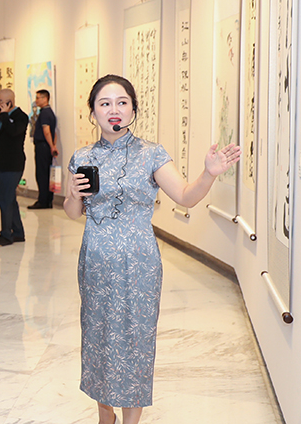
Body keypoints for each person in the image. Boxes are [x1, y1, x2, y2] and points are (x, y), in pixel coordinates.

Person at [63, 74, 240, 424]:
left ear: (133, 109)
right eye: (104, 103)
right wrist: (72, 194)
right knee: (98, 336)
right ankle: (105, 416)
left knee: (135, 340)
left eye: (122, 102)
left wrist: (208, 173)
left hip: (139, 264)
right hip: (96, 263)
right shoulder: (82, 156)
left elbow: (185, 196)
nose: (114, 109)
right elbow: (73, 213)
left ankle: (131, 421)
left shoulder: (151, 154)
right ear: (93, 112)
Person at [0, 88, 29, 246]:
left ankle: (6, 234)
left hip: (13, 164)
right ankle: (18, 232)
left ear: (10, 101)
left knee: (4, 199)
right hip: (0, 162)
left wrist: (5, 114)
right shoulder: (2, 116)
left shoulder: (21, 117)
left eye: (2, 101)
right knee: (9, 198)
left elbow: (14, 133)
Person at [28, 88, 58, 209]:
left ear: (45, 99)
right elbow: (54, 132)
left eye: (38, 98)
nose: (36, 100)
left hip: (43, 146)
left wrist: (51, 146)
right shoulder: (50, 113)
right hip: (47, 146)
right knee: (47, 173)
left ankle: (43, 201)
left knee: (42, 174)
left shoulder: (45, 113)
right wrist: (53, 146)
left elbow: (47, 132)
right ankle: (48, 200)